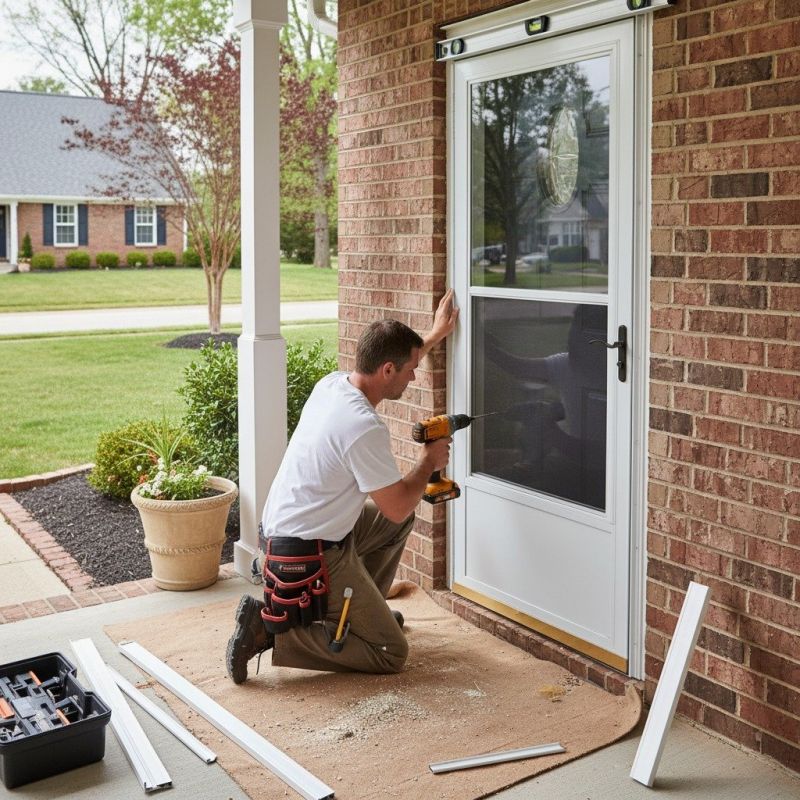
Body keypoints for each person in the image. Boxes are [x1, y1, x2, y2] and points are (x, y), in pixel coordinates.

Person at [226, 289, 460, 683]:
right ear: (388, 370)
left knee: (393, 527)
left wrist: (433, 335)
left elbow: (393, 518)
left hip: (288, 533)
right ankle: (271, 633)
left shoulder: (333, 385)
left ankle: (363, 615)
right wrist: (428, 461)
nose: (414, 376)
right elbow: (397, 505)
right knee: (390, 653)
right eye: (409, 370)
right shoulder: (362, 427)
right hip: (305, 555)